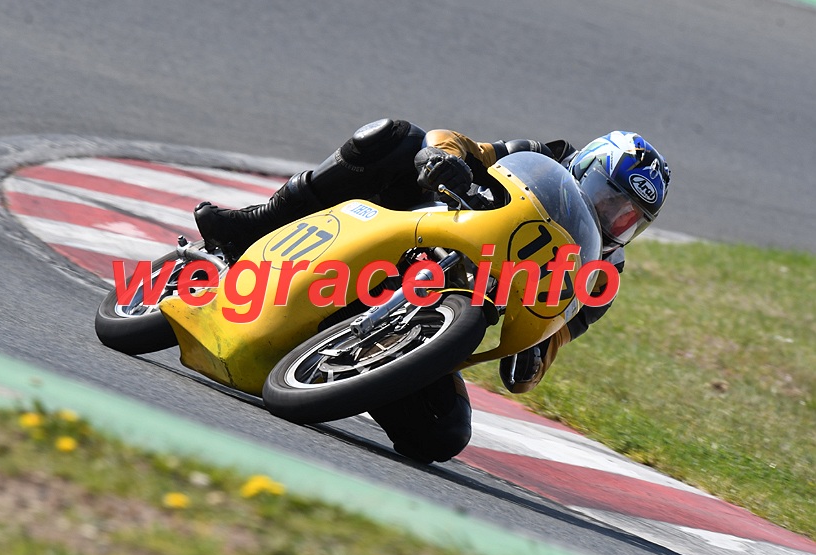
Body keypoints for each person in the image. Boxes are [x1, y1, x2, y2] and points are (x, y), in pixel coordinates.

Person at [194, 119, 670, 463]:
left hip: (438, 311)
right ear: (584, 166)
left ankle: (348, 358)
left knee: (443, 434)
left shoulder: (600, 277)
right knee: (393, 137)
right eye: (608, 198)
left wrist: (534, 353)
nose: (612, 219)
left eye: (629, 219)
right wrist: (443, 159)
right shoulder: (541, 157)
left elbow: (546, 351)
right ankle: (252, 227)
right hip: (413, 231)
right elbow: (457, 141)